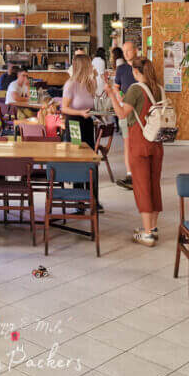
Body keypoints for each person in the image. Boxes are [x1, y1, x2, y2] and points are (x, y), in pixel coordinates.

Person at [104, 57, 166, 246]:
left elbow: (122, 113)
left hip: (139, 142)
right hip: (157, 142)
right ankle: (153, 228)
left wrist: (111, 94)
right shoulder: (159, 89)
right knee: (154, 184)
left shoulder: (135, 89)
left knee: (141, 186)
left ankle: (147, 234)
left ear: (136, 72)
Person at [113, 42, 137, 190]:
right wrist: (118, 95)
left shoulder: (144, 66)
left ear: (136, 50)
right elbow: (116, 87)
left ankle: (141, 174)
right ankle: (130, 175)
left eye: (129, 50)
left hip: (141, 112)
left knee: (141, 144)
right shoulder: (121, 69)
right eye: (124, 51)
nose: (126, 53)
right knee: (127, 144)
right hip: (125, 110)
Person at [61, 55, 96, 152]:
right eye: (90, 64)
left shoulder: (89, 83)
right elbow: (64, 108)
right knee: (76, 153)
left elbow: (91, 104)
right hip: (74, 123)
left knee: (90, 153)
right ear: (84, 66)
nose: (92, 67)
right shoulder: (70, 84)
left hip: (88, 122)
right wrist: (80, 113)